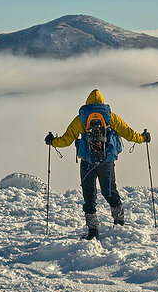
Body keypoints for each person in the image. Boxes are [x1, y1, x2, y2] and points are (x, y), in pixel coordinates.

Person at [45, 89, 150, 239]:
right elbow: (128, 133)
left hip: (87, 162)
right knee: (110, 191)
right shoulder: (110, 117)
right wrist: (142, 137)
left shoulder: (81, 118)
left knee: (89, 196)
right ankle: (119, 222)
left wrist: (52, 141)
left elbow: (66, 140)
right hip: (106, 162)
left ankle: (92, 231)